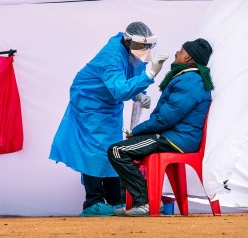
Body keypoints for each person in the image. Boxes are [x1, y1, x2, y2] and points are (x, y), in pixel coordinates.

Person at [50, 22, 169, 216]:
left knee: (113, 147)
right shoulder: (111, 56)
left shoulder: (132, 51)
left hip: (110, 103)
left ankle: (114, 200)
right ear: (128, 40)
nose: (145, 51)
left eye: (148, 46)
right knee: (94, 149)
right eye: (141, 46)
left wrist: (139, 94)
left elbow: (129, 78)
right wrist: (150, 74)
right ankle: (93, 201)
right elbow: (120, 88)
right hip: (89, 102)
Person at [108, 38, 214, 217]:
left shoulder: (190, 81)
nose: (176, 53)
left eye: (180, 51)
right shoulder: (189, 78)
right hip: (175, 136)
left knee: (117, 151)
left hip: (175, 138)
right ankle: (140, 201)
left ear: (188, 58)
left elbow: (167, 117)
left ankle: (146, 202)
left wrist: (137, 130)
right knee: (126, 149)